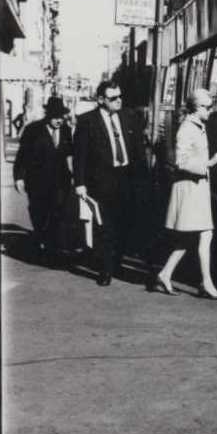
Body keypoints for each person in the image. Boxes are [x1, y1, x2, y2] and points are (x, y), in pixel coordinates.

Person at [152, 88, 217, 299]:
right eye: (207, 107)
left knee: (190, 237)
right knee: (204, 234)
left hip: (196, 188)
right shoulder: (187, 129)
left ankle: (165, 274)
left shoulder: (197, 126)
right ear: (196, 108)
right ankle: (206, 283)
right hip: (189, 189)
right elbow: (181, 161)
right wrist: (213, 161)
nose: (211, 111)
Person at [73, 80, 146, 286]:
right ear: (101, 100)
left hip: (127, 179)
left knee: (124, 224)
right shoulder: (87, 121)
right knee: (105, 227)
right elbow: (80, 155)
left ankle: (117, 262)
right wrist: (79, 183)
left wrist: (143, 178)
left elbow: (138, 151)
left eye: (120, 96)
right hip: (101, 181)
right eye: (113, 98)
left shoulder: (128, 117)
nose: (119, 101)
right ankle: (105, 270)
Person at [13, 96, 73, 266]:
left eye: (62, 117)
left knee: (57, 213)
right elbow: (22, 156)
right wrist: (19, 177)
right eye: (55, 117)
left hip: (61, 182)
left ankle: (51, 249)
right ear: (48, 115)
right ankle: (40, 240)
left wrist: (74, 173)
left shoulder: (66, 130)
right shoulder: (33, 130)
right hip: (37, 182)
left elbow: (70, 153)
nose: (59, 120)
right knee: (39, 213)